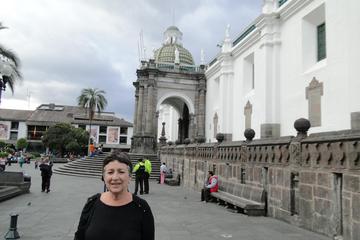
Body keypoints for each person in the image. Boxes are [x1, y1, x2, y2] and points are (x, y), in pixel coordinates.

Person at [74, 152, 154, 240]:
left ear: (130, 176)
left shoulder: (142, 207)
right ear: (104, 177)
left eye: (121, 172)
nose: (115, 177)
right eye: (110, 172)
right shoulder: (92, 203)